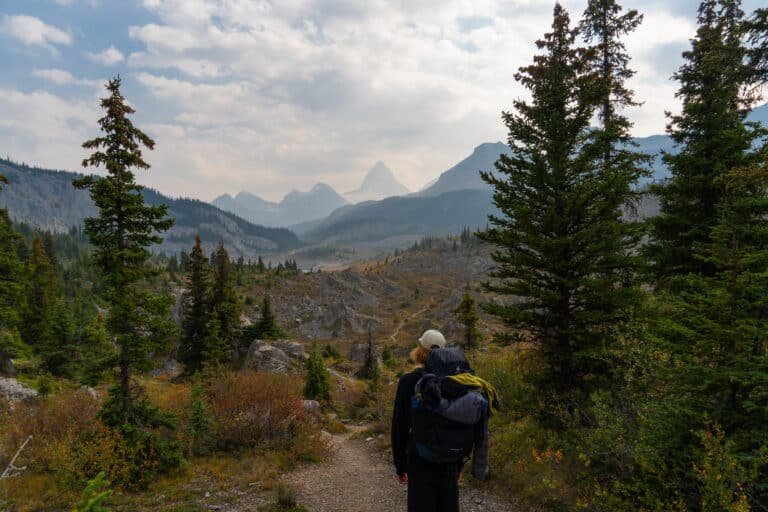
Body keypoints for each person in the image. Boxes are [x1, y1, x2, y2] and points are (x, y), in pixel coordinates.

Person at [391, 329, 491, 512]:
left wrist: (400, 465)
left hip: (420, 457)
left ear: (419, 350)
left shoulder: (409, 381)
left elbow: (400, 425)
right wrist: (459, 462)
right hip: (450, 459)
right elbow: (462, 422)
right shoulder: (456, 383)